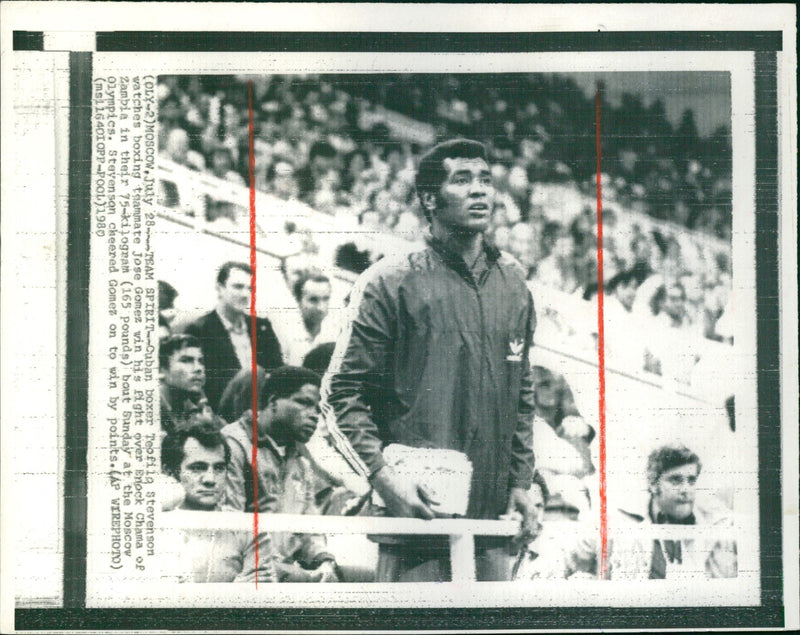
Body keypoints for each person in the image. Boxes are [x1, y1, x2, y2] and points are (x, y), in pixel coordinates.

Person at [322, 139, 538, 582]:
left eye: (484, 180)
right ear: (428, 198)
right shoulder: (388, 281)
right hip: (416, 521)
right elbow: (340, 393)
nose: (480, 191)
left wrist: (519, 483)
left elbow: (524, 394)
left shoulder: (514, 283)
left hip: (491, 524)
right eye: (462, 180)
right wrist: (383, 478)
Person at [221, 366, 341, 583]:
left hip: (290, 571)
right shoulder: (234, 444)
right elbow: (231, 530)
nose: (315, 416)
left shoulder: (300, 459)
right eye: (304, 403)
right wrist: (297, 574)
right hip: (250, 573)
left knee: (366, 578)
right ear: (273, 401)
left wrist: (324, 561)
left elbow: (310, 528)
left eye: (319, 409)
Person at [160, 419, 276, 583]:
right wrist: (233, 592)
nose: (210, 479)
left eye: (219, 468)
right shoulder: (153, 528)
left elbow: (261, 600)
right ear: (170, 472)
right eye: (198, 468)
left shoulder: (247, 530)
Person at [608, 443, 737, 580]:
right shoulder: (624, 522)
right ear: (653, 485)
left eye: (691, 480)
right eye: (676, 480)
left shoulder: (718, 524)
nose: (686, 490)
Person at [184, 261, 283, 412]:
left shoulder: (262, 327)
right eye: (238, 287)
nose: (245, 294)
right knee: (253, 373)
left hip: (263, 410)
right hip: (223, 412)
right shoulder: (200, 330)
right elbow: (194, 383)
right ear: (220, 288)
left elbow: (277, 371)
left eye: (250, 289)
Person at [272, 271, 337, 366]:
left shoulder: (334, 333)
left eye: (326, 299)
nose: (321, 307)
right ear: (298, 300)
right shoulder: (283, 334)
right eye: (313, 300)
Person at [159, 334, 215, 435]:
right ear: (162, 369)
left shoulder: (198, 407)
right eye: (186, 360)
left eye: (201, 361)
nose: (199, 368)